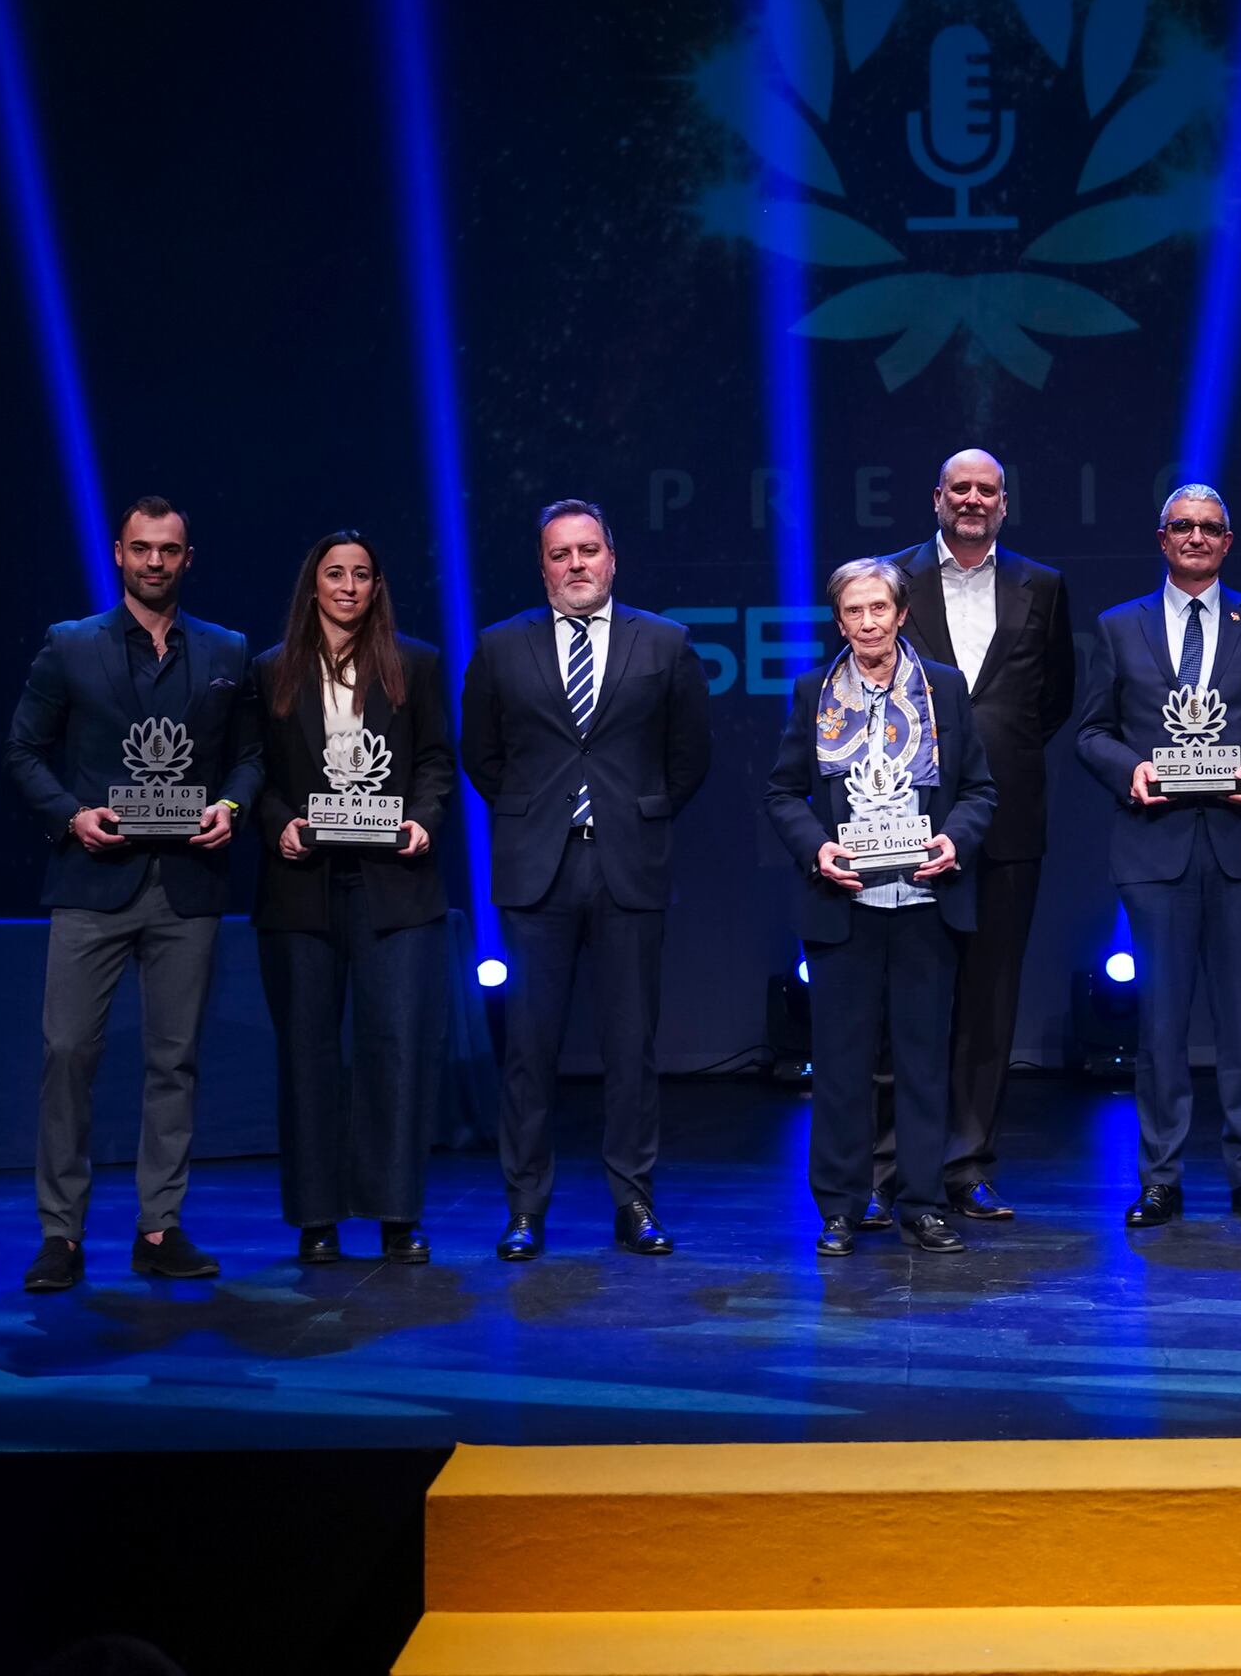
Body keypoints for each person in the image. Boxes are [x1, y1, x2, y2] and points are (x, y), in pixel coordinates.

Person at [3, 495, 260, 1292]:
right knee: (67, 1051)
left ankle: (159, 1226)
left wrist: (232, 807)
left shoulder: (227, 649)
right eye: (142, 549)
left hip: (187, 884)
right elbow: (22, 752)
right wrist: (73, 817)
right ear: (119, 553)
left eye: (169, 551)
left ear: (188, 558)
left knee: (173, 1060)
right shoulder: (70, 646)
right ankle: (61, 1234)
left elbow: (249, 757)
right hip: (93, 881)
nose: (155, 562)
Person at [462, 499, 714, 1259]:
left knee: (630, 1046)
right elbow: (483, 755)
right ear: (542, 565)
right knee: (529, 1051)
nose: (577, 564)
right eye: (561, 553)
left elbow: (688, 756)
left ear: (613, 558)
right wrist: (538, 812)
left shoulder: (665, 642)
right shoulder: (501, 646)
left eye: (590, 550)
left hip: (627, 864)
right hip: (538, 869)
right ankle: (525, 1208)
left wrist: (639, 812)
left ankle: (633, 1200)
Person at [1071, 485, 1241, 1228]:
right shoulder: (1117, 627)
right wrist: (1127, 771)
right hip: (1155, 844)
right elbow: (1091, 732)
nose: (1197, 537)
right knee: (1161, 1026)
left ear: (1228, 541)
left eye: (1211, 527)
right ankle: (1161, 1178)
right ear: (1162, 538)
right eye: (1183, 526)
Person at [766, 558, 999, 1257]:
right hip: (845, 907)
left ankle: (922, 1202)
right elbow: (782, 794)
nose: (868, 622)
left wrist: (954, 839)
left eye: (879, 609)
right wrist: (817, 850)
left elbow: (980, 790)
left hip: (926, 901)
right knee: (840, 1065)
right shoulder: (814, 692)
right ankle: (840, 1208)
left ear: (901, 615)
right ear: (840, 622)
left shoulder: (945, 690)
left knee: (924, 1064)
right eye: (854, 612)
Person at [248, 532, 457, 1265]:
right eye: (334, 574)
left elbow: (436, 760)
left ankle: (397, 1214)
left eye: (361, 575)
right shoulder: (271, 672)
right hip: (302, 890)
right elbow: (257, 776)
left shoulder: (416, 664)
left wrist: (422, 823)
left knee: (395, 1048)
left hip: (393, 886)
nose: (347, 586)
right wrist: (280, 826)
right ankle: (317, 1218)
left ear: (376, 588)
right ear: (314, 586)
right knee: (308, 1053)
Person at [882, 449, 1076, 1223]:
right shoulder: (891, 580)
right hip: (902, 820)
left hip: (1009, 821)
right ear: (936, 497)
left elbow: (1052, 698)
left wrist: (995, 754)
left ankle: (966, 1164)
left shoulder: (1044, 585)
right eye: (958, 488)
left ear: (1005, 501)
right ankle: (889, 1165)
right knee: (905, 999)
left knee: (990, 1002)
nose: (972, 499)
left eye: (986, 489)